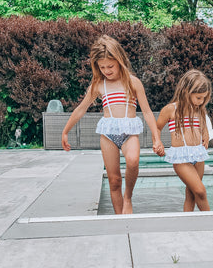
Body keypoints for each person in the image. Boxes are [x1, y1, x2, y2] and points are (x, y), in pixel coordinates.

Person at [61, 35, 164, 215]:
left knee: (133, 160)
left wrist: (157, 138)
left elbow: (147, 112)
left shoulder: (133, 82)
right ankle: (119, 217)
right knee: (114, 180)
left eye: (110, 66)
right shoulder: (98, 85)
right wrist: (65, 131)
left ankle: (128, 197)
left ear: (120, 61)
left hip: (129, 132)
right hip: (108, 134)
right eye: (102, 67)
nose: (107, 70)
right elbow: (81, 109)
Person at [157, 69, 211, 212]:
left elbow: (203, 124)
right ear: (186, 91)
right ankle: (212, 222)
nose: (201, 101)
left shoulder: (199, 109)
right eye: (199, 97)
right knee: (200, 191)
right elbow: (157, 128)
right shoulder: (170, 109)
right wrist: (158, 143)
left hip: (198, 155)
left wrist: (206, 134)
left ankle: (189, 223)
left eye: (204, 98)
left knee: (192, 194)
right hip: (181, 157)